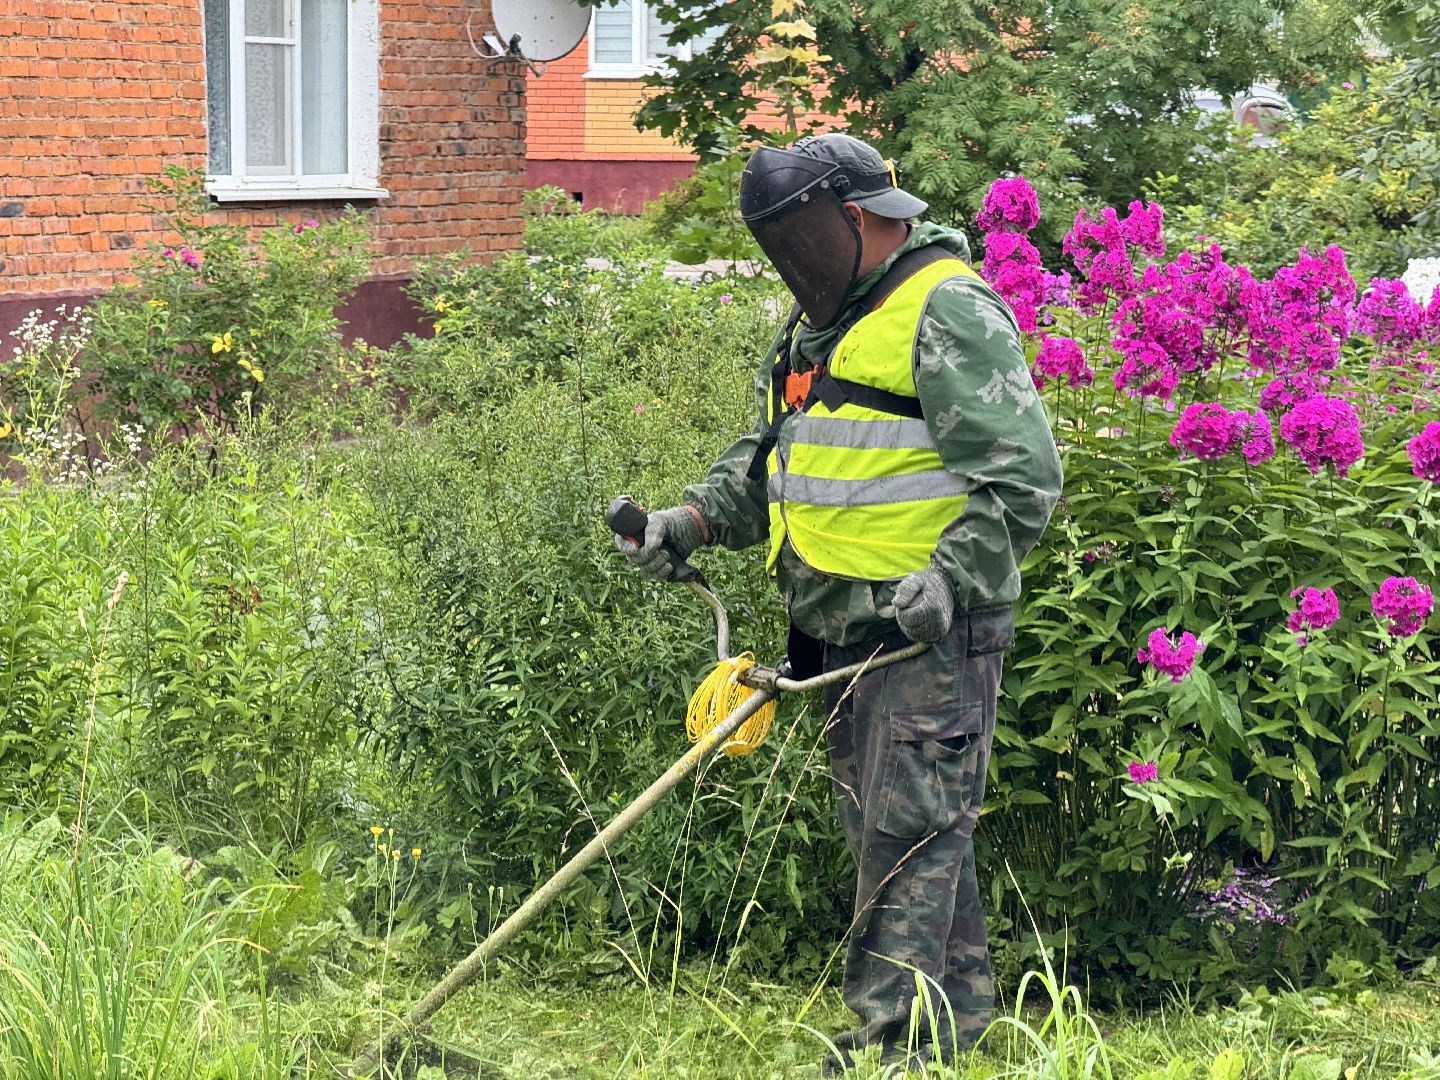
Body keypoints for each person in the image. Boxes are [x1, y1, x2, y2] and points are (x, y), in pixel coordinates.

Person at [612, 132, 1063, 1074]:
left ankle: (883, 1054)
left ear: (856, 219)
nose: (794, 266)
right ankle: (960, 1031)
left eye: (803, 244)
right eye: (779, 249)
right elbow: (783, 453)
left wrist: (950, 577)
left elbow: (1023, 478)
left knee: (905, 841)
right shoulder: (826, 327)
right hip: (840, 633)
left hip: (926, 635)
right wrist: (690, 519)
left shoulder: (945, 311)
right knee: (916, 835)